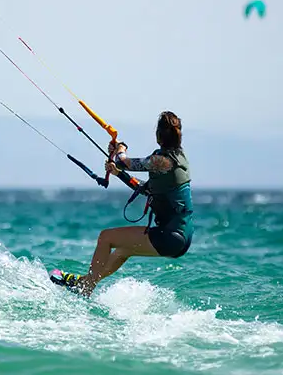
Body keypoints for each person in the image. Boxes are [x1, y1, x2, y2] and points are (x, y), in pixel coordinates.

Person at [50, 111, 193, 297]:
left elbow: (123, 160)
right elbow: (146, 188)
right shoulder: (178, 158)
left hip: (171, 237)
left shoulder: (162, 161)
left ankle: (85, 287)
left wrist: (121, 147)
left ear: (158, 136)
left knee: (105, 238)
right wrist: (118, 174)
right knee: (121, 251)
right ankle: (86, 283)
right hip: (180, 238)